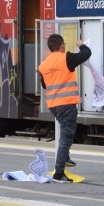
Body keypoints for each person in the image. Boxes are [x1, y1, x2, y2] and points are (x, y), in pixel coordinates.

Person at [38, 34, 91, 183]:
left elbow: (44, 85)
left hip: (54, 105)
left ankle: (65, 158)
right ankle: (59, 173)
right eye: (65, 45)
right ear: (61, 45)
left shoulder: (44, 65)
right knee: (66, 137)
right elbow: (86, 54)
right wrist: (81, 44)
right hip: (67, 104)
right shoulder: (65, 58)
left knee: (65, 133)